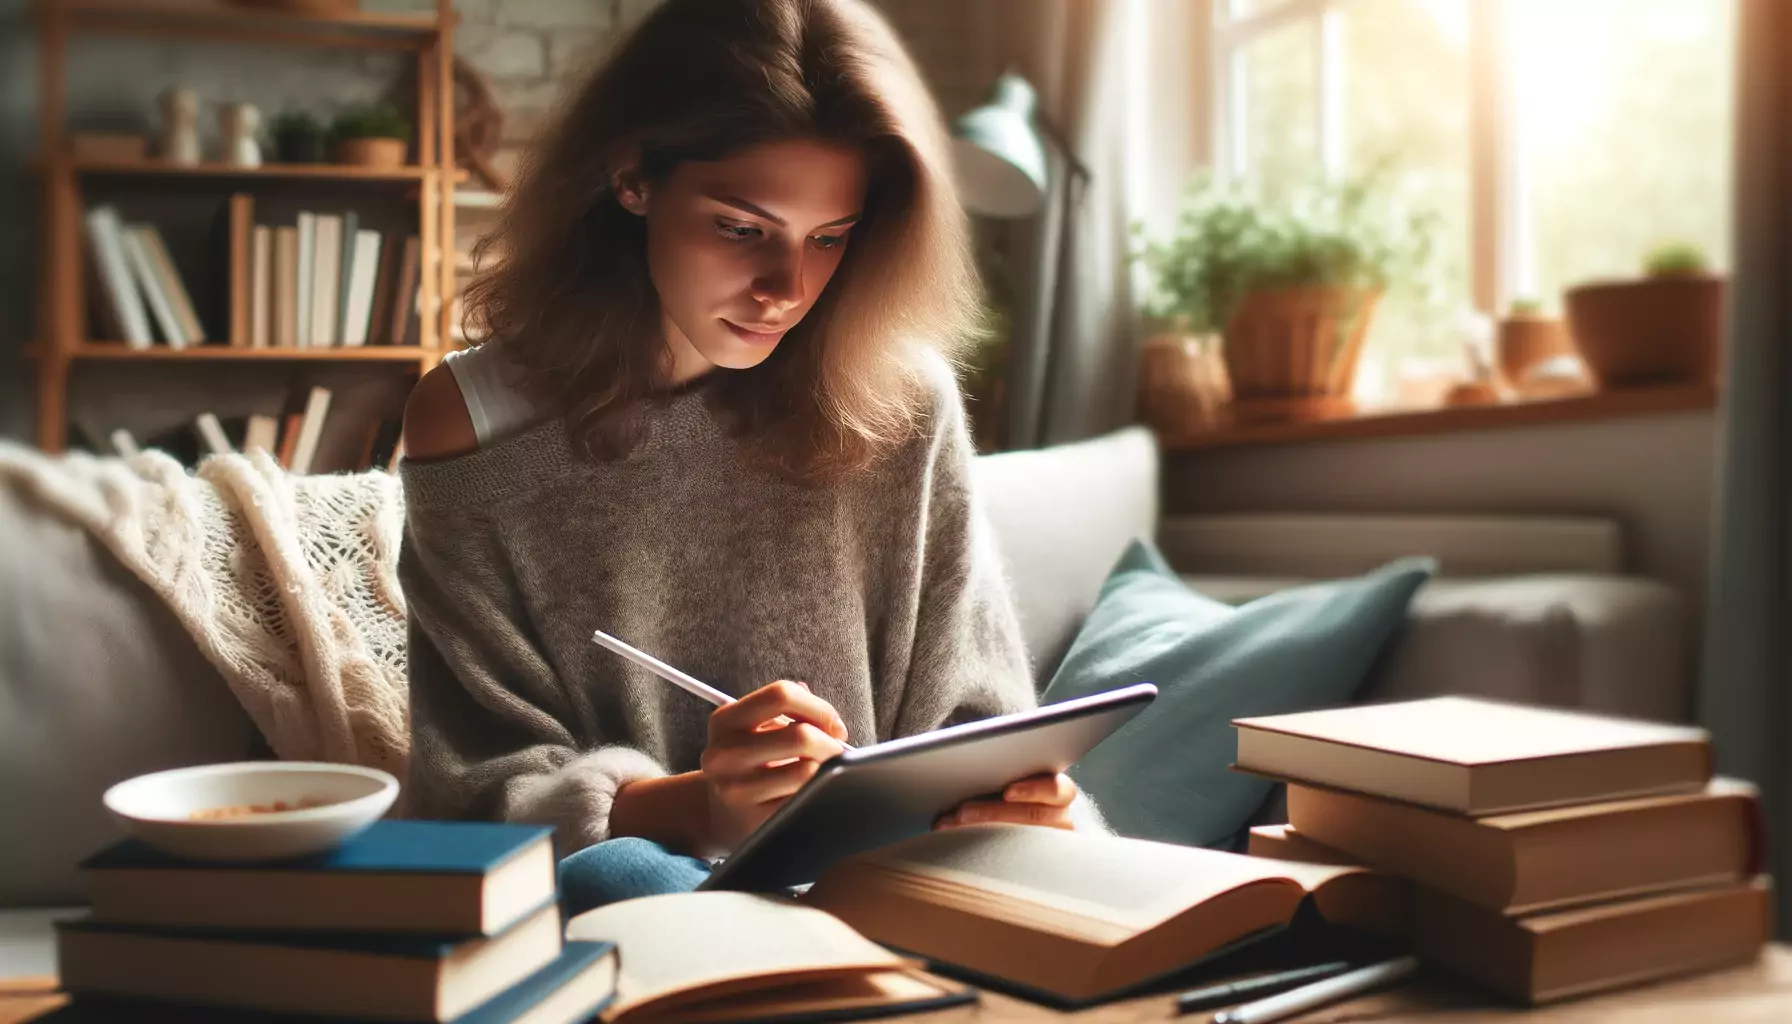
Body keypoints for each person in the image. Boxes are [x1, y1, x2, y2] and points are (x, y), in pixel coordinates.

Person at [398, 0, 1102, 914]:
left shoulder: (903, 404)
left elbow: (980, 720)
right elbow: (475, 788)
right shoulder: (473, 424)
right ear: (632, 178)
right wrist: (699, 806)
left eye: (829, 239)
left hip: (891, 890)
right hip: (646, 893)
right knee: (621, 876)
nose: (787, 290)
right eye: (741, 228)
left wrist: (1022, 803)